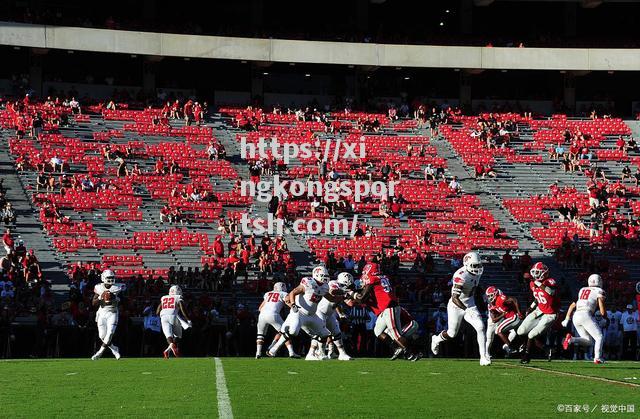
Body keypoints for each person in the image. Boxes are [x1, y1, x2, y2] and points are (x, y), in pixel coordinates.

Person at [349, 262, 422, 361]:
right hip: (386, 309)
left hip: (389, 307)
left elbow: (361, 298)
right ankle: (396, 348)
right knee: (377, 331)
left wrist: (351, 293)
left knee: (396, 334)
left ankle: (412, 353)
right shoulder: (382, 277)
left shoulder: (373, 279)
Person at [431, 252, 490, 365]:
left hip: (470, 303)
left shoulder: (476, 272)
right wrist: (466, 309)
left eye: (478, 265)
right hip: (456, 306)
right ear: (466, 264)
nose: (477, 268)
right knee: (452, 333)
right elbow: (454, 298)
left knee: (480, 327)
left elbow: (474, 286)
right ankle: (436, 339)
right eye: (474, 265)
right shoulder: (460, 275)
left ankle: (483, 357)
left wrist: (483, 296)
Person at [267, 266, 336, 360]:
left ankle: (320, 353)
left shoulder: (325, 287)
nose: (325, 278)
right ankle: (273, 350)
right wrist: (293, 304)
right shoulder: (308, 282)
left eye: (326, 276)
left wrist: (343, 296)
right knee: (293, 332)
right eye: (323, 275)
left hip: (312, 315)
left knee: (325, 333)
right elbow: (293, 292)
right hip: (300, 312)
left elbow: (331, 298)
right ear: (316, 274)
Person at [511, 262, 560, 364]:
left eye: (538, 272)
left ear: (544, 273)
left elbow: (550, 292)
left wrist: (537, 283)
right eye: (534, 272)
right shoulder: (532, 283)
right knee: (521, 331)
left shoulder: (550, 281)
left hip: (550, 314)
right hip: (539, 310)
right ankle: (545, 349)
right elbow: (538, 298)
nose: (535, 274)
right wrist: (530, 307)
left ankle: (526, 355)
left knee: (532, 334)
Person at [560, 274, 608, 364]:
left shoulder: (582, 290)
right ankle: (597, 358)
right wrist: (605, 316)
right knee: (599, 337)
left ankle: (571, 340)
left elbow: (572, 305)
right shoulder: (599, 291)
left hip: (576, 315)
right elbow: (601, 308)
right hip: (586, 314)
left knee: (588, 341)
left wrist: (567, 319)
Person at [314, 272, 353, 361]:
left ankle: (342, 354)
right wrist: (344, 293)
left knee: (337, 332)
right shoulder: (333, 283)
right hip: (320, 312)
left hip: (329, 313)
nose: (347, 286)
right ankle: (320, 352)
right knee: (323, 333)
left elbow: (336, 302)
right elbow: (332, 292)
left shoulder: (342, 288)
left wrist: (340, 314)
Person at [256, 282, 299, 359]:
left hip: (262, 315)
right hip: (273, 315)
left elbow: (260, 308)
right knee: (285, 332)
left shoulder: (267, 294)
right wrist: (294, 307)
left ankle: (258, 353)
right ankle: (291, 352)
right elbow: (287, 302)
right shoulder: (283, 293)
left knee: (260, 335)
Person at [91, 270, 122, 360]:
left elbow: (124, 301)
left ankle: (100, 352)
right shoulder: (99, 287)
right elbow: (93, 303)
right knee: (102, 335)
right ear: (103, 278)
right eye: (109, 278)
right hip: (102, 312)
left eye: (112, 278)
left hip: (112, 312)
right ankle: (114, 349)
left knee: (110, 332)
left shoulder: (118, 288)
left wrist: (116, 298)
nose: (111, 280)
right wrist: (101, 297)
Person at [485, 287, 523, 358]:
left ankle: (510, 347)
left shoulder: (500, 298)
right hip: (499, 320)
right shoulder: (490, 305)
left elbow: (513, 300)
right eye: (488, 296)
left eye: (491, 295)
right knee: (490, 338)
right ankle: (487, 353)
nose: (490, 297)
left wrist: (519, 312)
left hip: (510, 317)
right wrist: (503, 314)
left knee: (504, 331)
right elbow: (494, 319)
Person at [157, 285, 191, 358]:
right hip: (173, 315)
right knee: (177, 336)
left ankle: (168, 350)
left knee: (168, 336)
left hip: (163, 316)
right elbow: (182, 308)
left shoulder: (164, 297)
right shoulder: (178, 297)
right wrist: (188, 319)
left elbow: (157, 311)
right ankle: (175, 350)